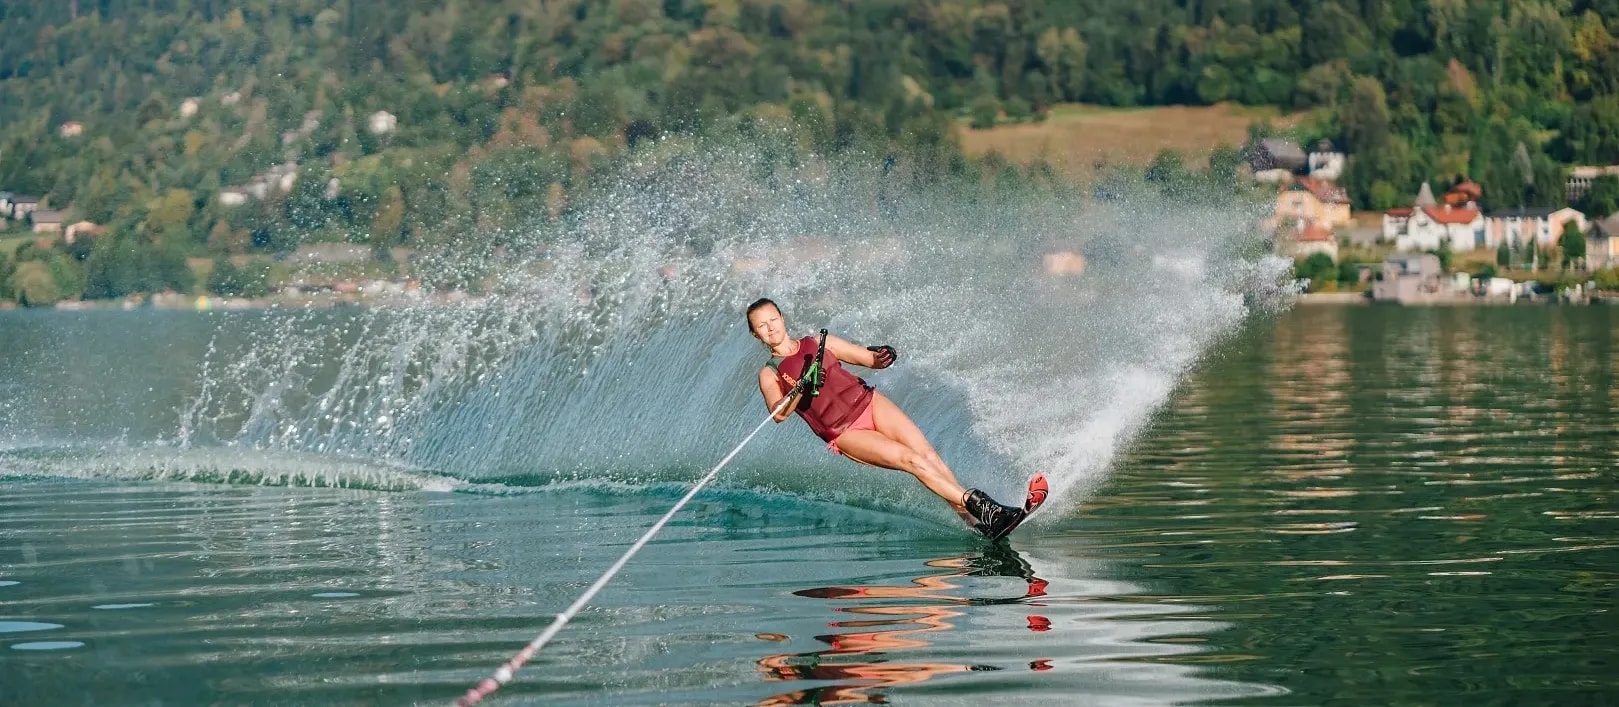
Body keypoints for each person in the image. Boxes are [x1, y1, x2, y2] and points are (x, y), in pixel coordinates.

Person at [744, 297, 1026, 538]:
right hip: (845, 432)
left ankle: (975, 523)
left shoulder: (818, 343)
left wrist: (883, 356)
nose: (771, 328)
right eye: (762, 326)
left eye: (773, 320)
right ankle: (983, 507)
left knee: (927, 455)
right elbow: (779, 414)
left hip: (869, 402)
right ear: (756, 334)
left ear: (782, 317)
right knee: (911, 460)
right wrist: (800, 387)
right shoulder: (769, 373)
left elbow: (868, 360)